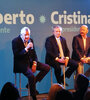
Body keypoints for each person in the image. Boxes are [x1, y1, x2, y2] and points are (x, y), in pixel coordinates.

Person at [12, 27, 50, 100]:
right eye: (25, 35)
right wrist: (26, 49)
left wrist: (35, 63)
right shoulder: (15, 41)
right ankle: (34, 96)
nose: (27, 36)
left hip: (31, 62)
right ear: (21, 34)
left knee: (47, 68)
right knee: (31, 76)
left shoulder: (30, 40)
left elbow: (34, 54)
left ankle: (30, 84)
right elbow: (17, 55)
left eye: (28, 35)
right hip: (21, 64)